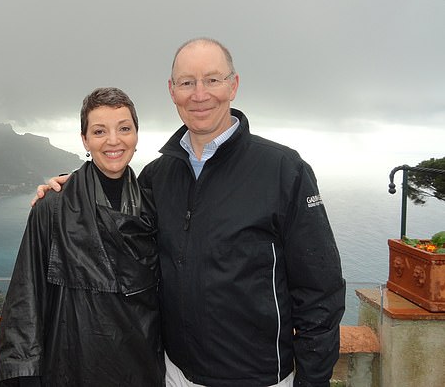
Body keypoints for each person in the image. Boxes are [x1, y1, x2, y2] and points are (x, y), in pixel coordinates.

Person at [35, 38, 345, 387]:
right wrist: (66, 190)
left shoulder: (284, 171)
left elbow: (321, 292)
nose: (199, 94)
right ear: (172, 91)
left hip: (259, 378)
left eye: (212, 79)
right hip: (173, 374)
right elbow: (111, 226)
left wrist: (312, 381)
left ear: (234, 85)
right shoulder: (155, 177)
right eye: (186, 82)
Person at [0, 87, 165, 386]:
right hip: (72, 365)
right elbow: (27, 296)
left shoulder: (153, 206)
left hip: (142, 367)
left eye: (124, 128)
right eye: (99, 131)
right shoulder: (53, 208)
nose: (113, 141)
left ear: (136, 135)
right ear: (85, 139)